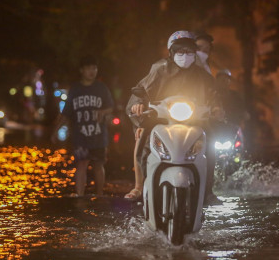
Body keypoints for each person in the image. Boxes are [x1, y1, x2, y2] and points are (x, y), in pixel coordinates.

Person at [124, 30, 222, 205]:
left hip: (194, 120)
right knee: (144, 143)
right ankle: (142, 185)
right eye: (180, 52)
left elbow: (214, 95)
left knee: (210, 144)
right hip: (161, 119)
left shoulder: (202, 75)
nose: (185, 56)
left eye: (189, 52)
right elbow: (142, 89)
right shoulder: (159, 69)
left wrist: (216, 108)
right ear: (172, 53)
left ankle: (207, 191)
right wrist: (138, 103)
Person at [57, 55, 114, 197]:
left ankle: (100, 194)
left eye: (94, 68)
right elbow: (67, 112)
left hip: (99, 135)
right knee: (81, 164)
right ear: (81, 70)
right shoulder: (75, 89)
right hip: (80, 136)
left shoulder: (101, 88)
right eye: (88, 68)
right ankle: (79, 195)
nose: (92, 71)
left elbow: (110, 107)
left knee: (98, 165)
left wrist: (103, 112)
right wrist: (55, 130)